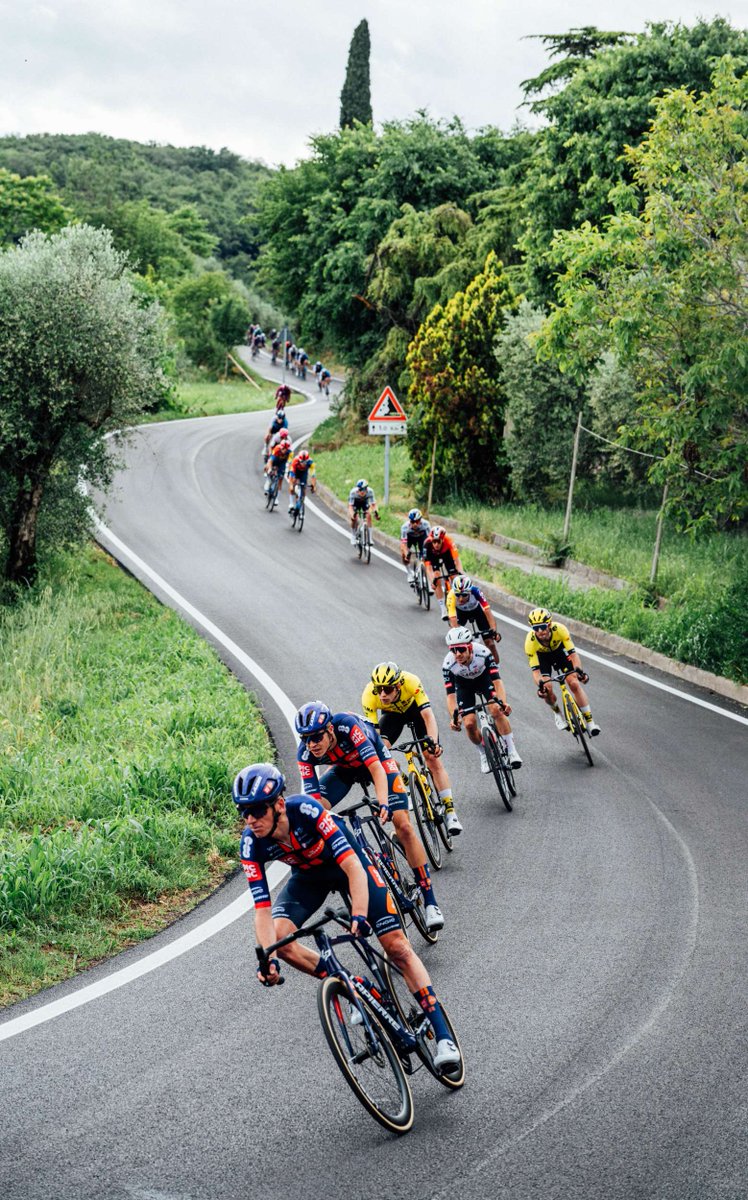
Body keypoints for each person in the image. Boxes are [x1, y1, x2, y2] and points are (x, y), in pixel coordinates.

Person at [235, 762, 461, 1070]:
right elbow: (262, 908)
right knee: (279, 940)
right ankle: (351, 985)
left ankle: (444, 1036)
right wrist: (269, 958)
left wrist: (359, 914)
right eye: (244, 812)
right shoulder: (250, 843)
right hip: (308, 879)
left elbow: (353, 867)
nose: (250, 820)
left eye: (257, 810)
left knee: (396, 946)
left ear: (279, 805)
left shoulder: (306, 811)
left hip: (350, 866)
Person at [294, 701, 445, 932]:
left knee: (403, 825)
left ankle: (430, 901)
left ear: (330, 729)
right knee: (315, 812)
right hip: (344, 770)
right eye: (305, 738)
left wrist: (383, 803)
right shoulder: (305, 752)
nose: (311, 744)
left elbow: (376, 768)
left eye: (316, 737)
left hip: (377, 761)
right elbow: (313, 803)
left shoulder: (347, 726)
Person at [362, 661, 462, 836]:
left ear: (398, 686)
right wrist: (383, 759)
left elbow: (428, 716)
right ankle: (405, 783)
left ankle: (450, 812)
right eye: (379, 689)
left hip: (415, 711)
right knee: (381, 755)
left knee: (432, 757)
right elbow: (375, 737)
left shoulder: (411, 681)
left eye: (388, 689)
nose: (383, 694)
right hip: (392, 717)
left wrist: (434, 743)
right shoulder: (369, 695)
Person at [442, 626, 523, 772]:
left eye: (461, 649)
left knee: (496, 710)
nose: (457, 654)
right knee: (469, 724)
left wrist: (503, 703)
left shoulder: (483, 653)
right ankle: (484, 753)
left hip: (484, 679)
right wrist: (454, 718)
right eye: (453, 650)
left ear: (470, 647)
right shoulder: (448, 664)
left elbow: (497, 681)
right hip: (464, 685)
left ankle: (511, 750)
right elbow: (450, 695)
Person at [524, 608, 600, 735]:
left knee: (574, 683)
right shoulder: (530, 642)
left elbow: (573, 655)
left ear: (549, 624)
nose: (540, 631)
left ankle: (590, 722)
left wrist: (580, 672)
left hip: (560, 653)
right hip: (543, 658)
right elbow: (536, 672)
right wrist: (541, 686)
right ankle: (557, 713)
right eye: (536, 628)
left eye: (542, 627)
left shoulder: (560, 629)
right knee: (547, 688)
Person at [447, 575, 501, 664]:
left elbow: (487, 611)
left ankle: (495, 665)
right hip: (461, 613)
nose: (460, 599)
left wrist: (494, 631)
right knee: (457, 641)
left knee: (490, 643)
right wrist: (456, 635)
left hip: (476, 611)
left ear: (469, 592)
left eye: (464, 595)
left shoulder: (475, 591)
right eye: (458, 595)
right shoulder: (451, 595)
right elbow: (452, 618)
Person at [423, 526, 464, 621]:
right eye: (434, 542)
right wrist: (432, 581)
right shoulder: (427, 544)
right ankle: (443, 609)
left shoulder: (449, 541)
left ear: (443, 539)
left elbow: (457, 561)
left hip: (446, 554)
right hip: (433, 556)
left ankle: (458, 598)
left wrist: (461, 574)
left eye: (438, 542)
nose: (436, 544)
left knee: (454, 576)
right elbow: (428, 568)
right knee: (436, 578)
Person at [399, 508, 431, 585]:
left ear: (421, 520)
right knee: (404, 554)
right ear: (410, 521)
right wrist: (406, 554)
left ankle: (423, 572)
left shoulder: (426, 524)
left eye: (417, 521)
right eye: (413, 522)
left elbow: (430, 540)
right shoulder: (405, 527)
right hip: (410, 538)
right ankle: (409, 573)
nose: (415, 524)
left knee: (426, 554)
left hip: (421, 538)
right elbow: (403, 544)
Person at [347, 479, 380, 548]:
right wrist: (352, 515)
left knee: (368, 515)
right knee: (354, 519)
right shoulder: (353, 492)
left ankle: (370, 538)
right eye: (360, 489)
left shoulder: (370, 491)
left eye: (363, 490)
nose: (361, 492)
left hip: (364, 502)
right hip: (355, 503)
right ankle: (353, 536)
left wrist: (376, 513)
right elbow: (350, 506)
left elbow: (374, 504)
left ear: (366, 489)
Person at [264, 428, 293, 500]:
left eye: (284, 437)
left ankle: (276, 498)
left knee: (280, 479)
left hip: (283, 461)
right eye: (282, 437)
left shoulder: (290, 448)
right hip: (276, 455)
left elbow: (290, 462)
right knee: (269, 464)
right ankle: (268, 481)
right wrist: (270, 468)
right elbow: (271, 459)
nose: (284, 450)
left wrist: (289, 471)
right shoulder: (277, 440)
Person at [287, 448, 316, 513]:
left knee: (304, 488)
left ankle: (301, 501)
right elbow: (291, 474)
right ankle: (291, 504)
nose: (303, 464)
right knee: (292, 485)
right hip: (296, 472)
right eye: (302, 462)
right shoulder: (295, 461)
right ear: (299, 460)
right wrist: (291, 485)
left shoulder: (311, 463)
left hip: (303, 473)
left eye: (305, 462)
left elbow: (313, 475)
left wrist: (313, 486)